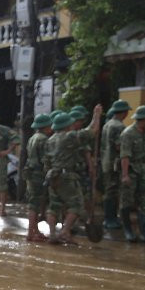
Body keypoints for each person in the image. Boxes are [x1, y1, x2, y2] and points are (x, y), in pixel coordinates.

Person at [44, 105, 103, 244]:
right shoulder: (69, 136)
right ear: (67, 125)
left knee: (53, 206)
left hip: (52, 175)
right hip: (66, 176)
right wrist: (97, 115)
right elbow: (92, 131)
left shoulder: (50, 140)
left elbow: (46, 161)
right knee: (76, 205)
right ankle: (65, 231)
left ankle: (52, 234)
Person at [118, 105, 145, 242]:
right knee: (126, 202)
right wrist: (125, 175)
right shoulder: (128, 133)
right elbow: (125, 156)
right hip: (131, 171)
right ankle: (128, 230)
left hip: (144, 171)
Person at [101, 100, 131, 229]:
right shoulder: (119, 126)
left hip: (106, 161)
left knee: (109, 190)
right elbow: (119, 146)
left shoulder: (107, 124)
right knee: (113, 191)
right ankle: (111, 219)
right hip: (115, 163)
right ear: (123, 113)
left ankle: (109, 218)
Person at [23, 114, 53, 242]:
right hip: (38, 174)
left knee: (33, 202)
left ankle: (35, 231)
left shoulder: (32, 138)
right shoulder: (44, 140)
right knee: (34, 204)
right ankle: (31, 233)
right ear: (46, 127)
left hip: (30, 173)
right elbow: (46, 160)